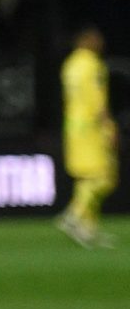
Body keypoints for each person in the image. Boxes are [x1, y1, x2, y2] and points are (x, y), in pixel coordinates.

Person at [56, 27, 117, 248]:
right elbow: (97, 100)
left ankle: (87, 229)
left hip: (73, 126)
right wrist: (108, 125)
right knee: (104, 177)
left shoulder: (70, 64)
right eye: (97, 40)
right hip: (91, 127)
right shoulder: (93, 65)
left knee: (86, 178)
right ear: (88, 41)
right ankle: (73, 215)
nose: (101, 43)